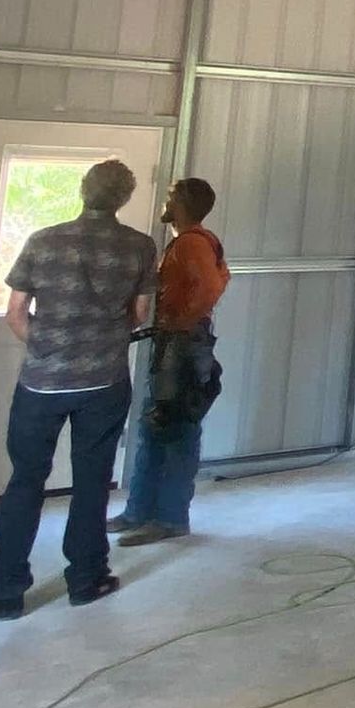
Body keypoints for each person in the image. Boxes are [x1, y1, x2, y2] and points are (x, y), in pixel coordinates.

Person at [0, 159, 156, 621]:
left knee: (25, 481)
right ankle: (86, 579)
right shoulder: (140, 247)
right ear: (123, 198)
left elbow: (15, 313)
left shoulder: (43, 240)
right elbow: (139, 313)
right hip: (103, 382)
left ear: (84, 191)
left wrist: (46, 348)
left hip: (40, 384)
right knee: (91, 482)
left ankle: (3, 593)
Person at [109, 177, 229, 547]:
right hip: (174, 342)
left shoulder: (192, 243)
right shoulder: (191, 242)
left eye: (171, 197)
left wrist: (182, 321)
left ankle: (170, 517)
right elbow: (224, 276)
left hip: (181, 347)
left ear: (182, 204)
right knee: (154, 425)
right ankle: (139, 510)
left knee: (175, 427)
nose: (166, 201)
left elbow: (212, 285)